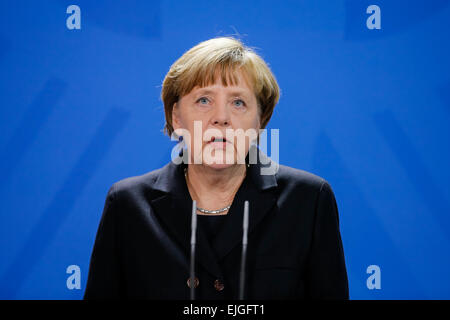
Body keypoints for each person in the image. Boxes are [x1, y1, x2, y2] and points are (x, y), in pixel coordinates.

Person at [84, 36, 349, 299]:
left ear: (259, 122)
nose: (221, 118)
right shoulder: (127, 204)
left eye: (238, 102)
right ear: (176, 116)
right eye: (204, 100)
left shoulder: (308, 200)